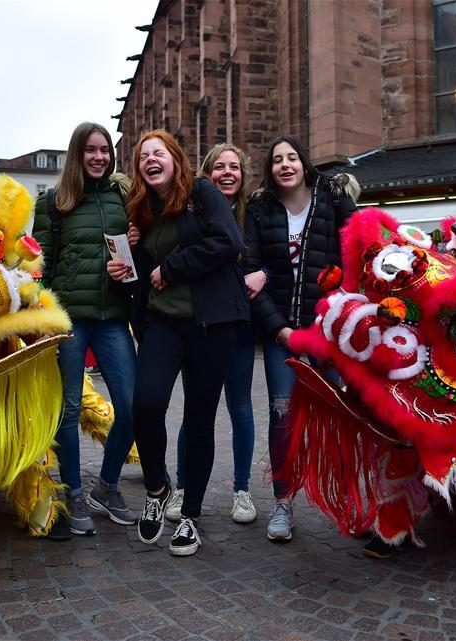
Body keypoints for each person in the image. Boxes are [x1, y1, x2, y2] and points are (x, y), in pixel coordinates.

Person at [110, 130, 248, 556]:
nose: (151, 159)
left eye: (159, 153)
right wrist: (129, 265)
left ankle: (189, 516)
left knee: (200, 418)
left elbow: (229, 242)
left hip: (212, 324)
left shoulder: (203, 192)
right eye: (143, 156)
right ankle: (157, 488)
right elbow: (148, 272)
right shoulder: (144, 209)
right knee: (146, 404)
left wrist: (172, 267)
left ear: (175, 159)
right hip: (162, 323)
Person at [243, 134, 357, 542]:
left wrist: (343, 315)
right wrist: (281, 330)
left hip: (329, 331)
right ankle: (283, 501)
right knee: (283, 415)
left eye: (292, 157)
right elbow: (252, 277)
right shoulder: (260, 209)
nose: (285, 165)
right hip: (283, 335)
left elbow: (356, 251)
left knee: (341, 415)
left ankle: (349, 500)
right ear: (270, 169)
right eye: (277, 160)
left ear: (304, 164)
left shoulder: (332, 196)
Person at [32, 122, 139, 539]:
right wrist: (41, 319)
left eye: (105, 150)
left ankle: (106, 487)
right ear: (77, 154)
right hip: (69, 320)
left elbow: (136, 250)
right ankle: (73, 491)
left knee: (131, 406)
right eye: (91, 150)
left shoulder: (121, 198)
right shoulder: (54, 202)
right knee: (70, 409)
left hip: (113, 316)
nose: (99, 157)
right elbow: (40, 263)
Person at [164, 143, 265, 525]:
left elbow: (269, 258)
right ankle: (184, 487)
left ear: (243, 174)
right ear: (207, 172)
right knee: (196, 411)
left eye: (234, 167)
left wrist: (267, 273)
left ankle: (241, 489)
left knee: (240, 407)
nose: (227, 173)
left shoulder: (253, 213)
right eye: (219, 166)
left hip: (238, 326)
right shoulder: (195, 209)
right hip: (202, 323)